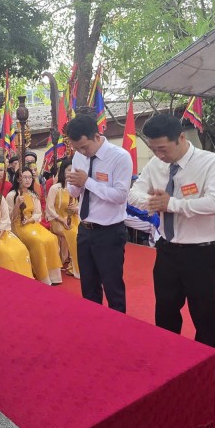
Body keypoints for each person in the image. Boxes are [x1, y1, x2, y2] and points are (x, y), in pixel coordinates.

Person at [129, 114, 215, 348]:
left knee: (204, 315)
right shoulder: (156, 164)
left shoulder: (211, 162)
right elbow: (134, 194)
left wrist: (172, 204)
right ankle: (168, 360)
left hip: (202, 253)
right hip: (167, 250)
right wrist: (152, 202)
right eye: (154, 150)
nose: (159, 156)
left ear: (181, 138)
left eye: (163, 149)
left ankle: (204, 366)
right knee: (165, 310)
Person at [64, 113, 131, 312]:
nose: (82, 152)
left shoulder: (120, 157)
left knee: (113, 287)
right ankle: (93, 327)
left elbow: (120, 196)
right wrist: (73, 184)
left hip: (109, 231)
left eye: (84, 147)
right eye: (76, 148)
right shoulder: (79, 155)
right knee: (88, 286)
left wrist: (88, 182)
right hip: (84, 229)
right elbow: (75, 192)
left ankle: (118, 330)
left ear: (96, 136)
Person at [11, 169, 63, 285]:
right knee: (38, 241)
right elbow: (10, 218)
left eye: (30, 177)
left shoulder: (33, 194)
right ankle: (43, 277)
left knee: (52, 238)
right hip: (18, 226)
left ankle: (54, 276)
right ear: (18, 179)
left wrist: (30, 220)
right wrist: (17, 205)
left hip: (32, 223)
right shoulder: (12, 195)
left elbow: (38, 213)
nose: (28, 180)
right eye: (24, 177)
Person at [46, 159, 80, 278]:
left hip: (74, 219)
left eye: (73, 170)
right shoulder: (55, 188)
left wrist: (75, 208)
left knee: (85, 233)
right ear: (63, 172)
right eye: (68, 170)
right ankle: (74, 267)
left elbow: (80, 206)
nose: (71, 172)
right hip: (58, 221)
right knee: (74, 233)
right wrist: (62, 220)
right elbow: (49, 208)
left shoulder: (77, 188)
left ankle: (79, 264)